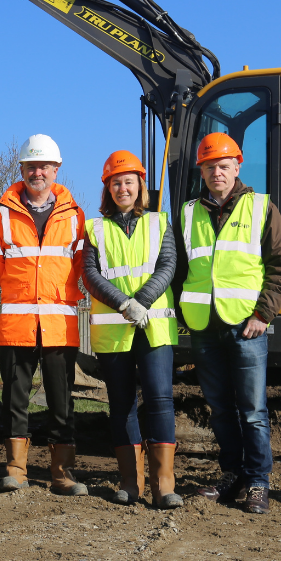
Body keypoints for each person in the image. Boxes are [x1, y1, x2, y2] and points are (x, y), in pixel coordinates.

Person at [173, 133, 281, 515]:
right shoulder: (189, 213)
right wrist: (183, 314)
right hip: (204, 326)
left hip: (246, 325)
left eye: (223, 166)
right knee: (221, 409)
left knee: (253, 410)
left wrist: (263, 314)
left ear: (237, 167)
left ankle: (258, 481)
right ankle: (233, 475)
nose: (216, 173)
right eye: (209, 167)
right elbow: (178, 270)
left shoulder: (262, 208)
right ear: (202, 172)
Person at [0, 134, 87, 496]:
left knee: (62, 400)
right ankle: (16, 469)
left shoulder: (76, 216)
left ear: (56, 170)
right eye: (31, 166)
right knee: (15, 398)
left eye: (44, 166)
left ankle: (62, 472)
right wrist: (21, 290)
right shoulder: (2, 213)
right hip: (18, 323)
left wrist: (54, 294)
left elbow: (80, 264)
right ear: (22, 170)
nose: (37, 172)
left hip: (59, 323)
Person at [82, 150, 181, 508]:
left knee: (159, 401)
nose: (122, 188)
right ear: (107, 189)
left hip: (154, 327)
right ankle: (130, 482)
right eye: (115, 183)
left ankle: (164, 486)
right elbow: (90, 276)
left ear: (141, 185)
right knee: (121, 405)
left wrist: (143, 300)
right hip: (115, 329)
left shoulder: (160, 223)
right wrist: (125, 304)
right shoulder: (95, 229)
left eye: (128, 181)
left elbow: (167, 264)